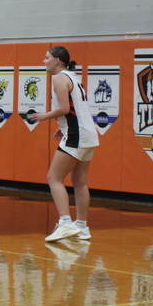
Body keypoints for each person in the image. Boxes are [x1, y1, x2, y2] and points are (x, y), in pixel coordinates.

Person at [29, 46, 98, 242]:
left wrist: (45, 116)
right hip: (88, 133)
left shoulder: (59, 78)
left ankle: (65, 222)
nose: (44, 61)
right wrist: (64, 125)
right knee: (80, 181)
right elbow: (76, 108)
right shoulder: (74, 77)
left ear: (57, 60)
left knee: (53, 177)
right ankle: (82, 227)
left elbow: (65, 108)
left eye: (47, 58)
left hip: (77, 135)